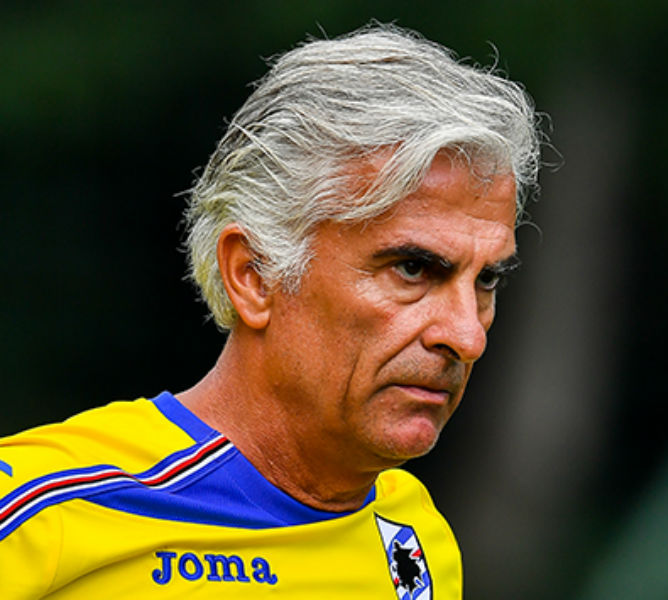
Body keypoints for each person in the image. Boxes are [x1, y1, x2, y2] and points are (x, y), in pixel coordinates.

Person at [0, 23, 541, 598]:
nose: (467, 336)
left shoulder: (416, 539)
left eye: (485, 280)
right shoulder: (41, 511)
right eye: (412, 268)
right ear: (253, 274)